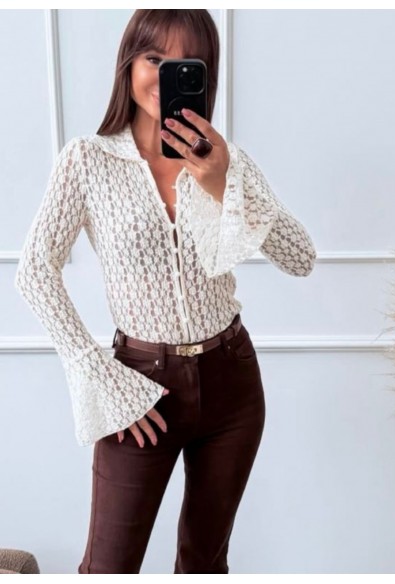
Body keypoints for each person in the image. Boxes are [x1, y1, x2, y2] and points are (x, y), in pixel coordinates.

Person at [14, 9, 316, 575]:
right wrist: (99, 375)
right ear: (129, 64)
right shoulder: (87, 160)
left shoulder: (227, 163)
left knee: (204, 564)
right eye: (154, 58)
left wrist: (222, 183)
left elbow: (301, 258)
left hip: (231, 381)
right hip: (138, 382)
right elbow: (34, 270)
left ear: (204, 74)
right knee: (108, 567)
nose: (164, 75)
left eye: (185, 63)